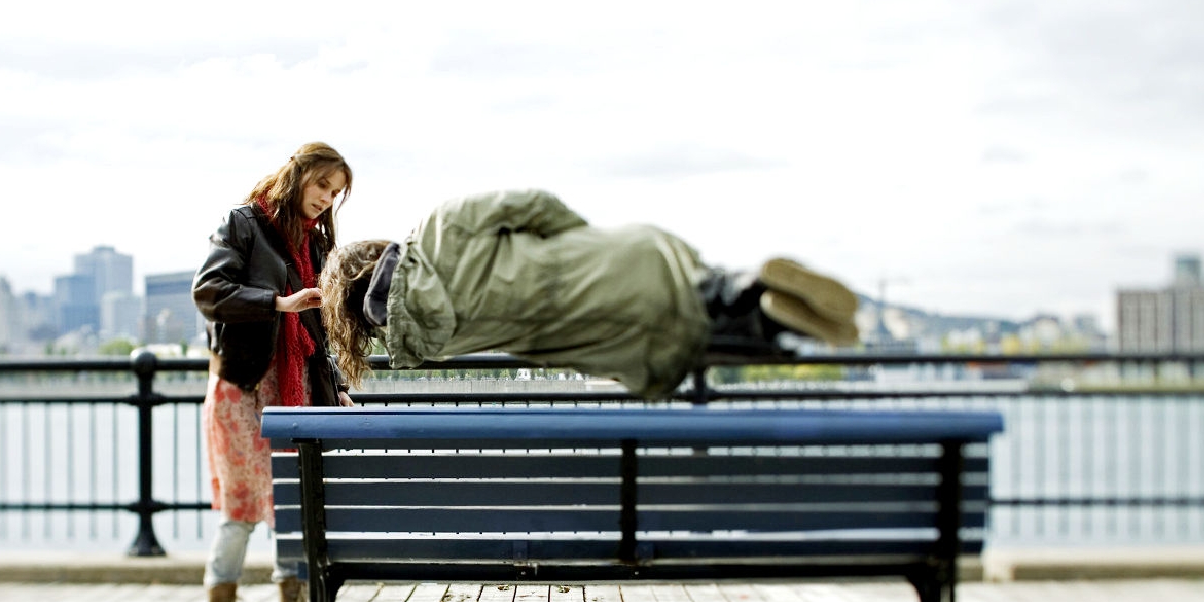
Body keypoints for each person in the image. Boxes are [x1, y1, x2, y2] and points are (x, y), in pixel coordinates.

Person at [319, 188, 860, 399]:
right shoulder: (437, 227)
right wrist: (580, 244)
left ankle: (764, 322)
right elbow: (533, 203)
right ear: (376, 251)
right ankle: (752, 292)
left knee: (686, 336)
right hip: (604, 263)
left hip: (604, 338)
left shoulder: (420, 345)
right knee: (688, 281)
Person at [190, 141, 355, 602]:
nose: (326, 200)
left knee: (292, 509)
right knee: (240, 512)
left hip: (296, 387)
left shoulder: (317, 244)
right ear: (299, 175)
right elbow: (208, 291)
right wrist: (276, 303)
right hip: (243, 387)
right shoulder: (244, 223)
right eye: (321, 185)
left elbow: (319, 331)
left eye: (336, 193)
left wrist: (336, 383)